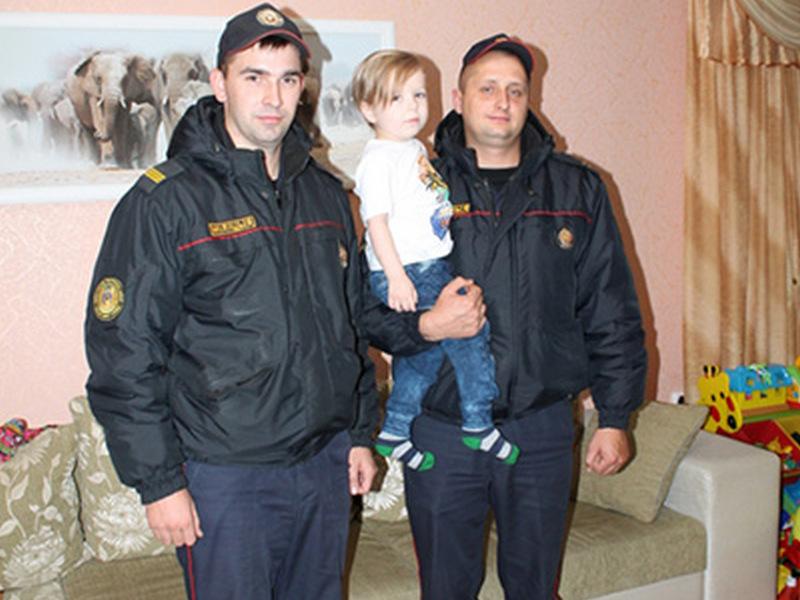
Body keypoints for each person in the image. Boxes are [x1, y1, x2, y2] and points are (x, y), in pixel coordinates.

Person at [84, 4, 378, 599]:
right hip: (225, 477)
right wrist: (160, 483)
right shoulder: (165, 202)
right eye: (254, 76)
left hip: (323, 465)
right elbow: (125, 353)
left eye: (288, 79)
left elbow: (349, 327)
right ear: (219, 83)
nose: (273, 96)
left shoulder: (326, 196)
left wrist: (358, 433)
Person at [360, 34, 647, 599]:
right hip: (441, 433)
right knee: (446, 588)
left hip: (540, 430)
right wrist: (425, 327)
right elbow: (368, 311)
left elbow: (611, 308)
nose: (503, 101)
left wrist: (615, 416)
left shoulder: (576, 188)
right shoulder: (417, 182)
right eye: (487, 88)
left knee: (535, 588)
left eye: (516, 90)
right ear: (459, 99)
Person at [351, 49, 519, 472]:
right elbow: (375, 223)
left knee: (422, 357)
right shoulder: (378, 159)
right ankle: (478, 422)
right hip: (411, 270)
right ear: (368, 108)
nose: (412, 107)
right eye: (396, 98)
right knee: (471, 337)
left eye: (418, 95)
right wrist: (396, 278)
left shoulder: (411, 149)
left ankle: (394, 431)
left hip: (429, 265)